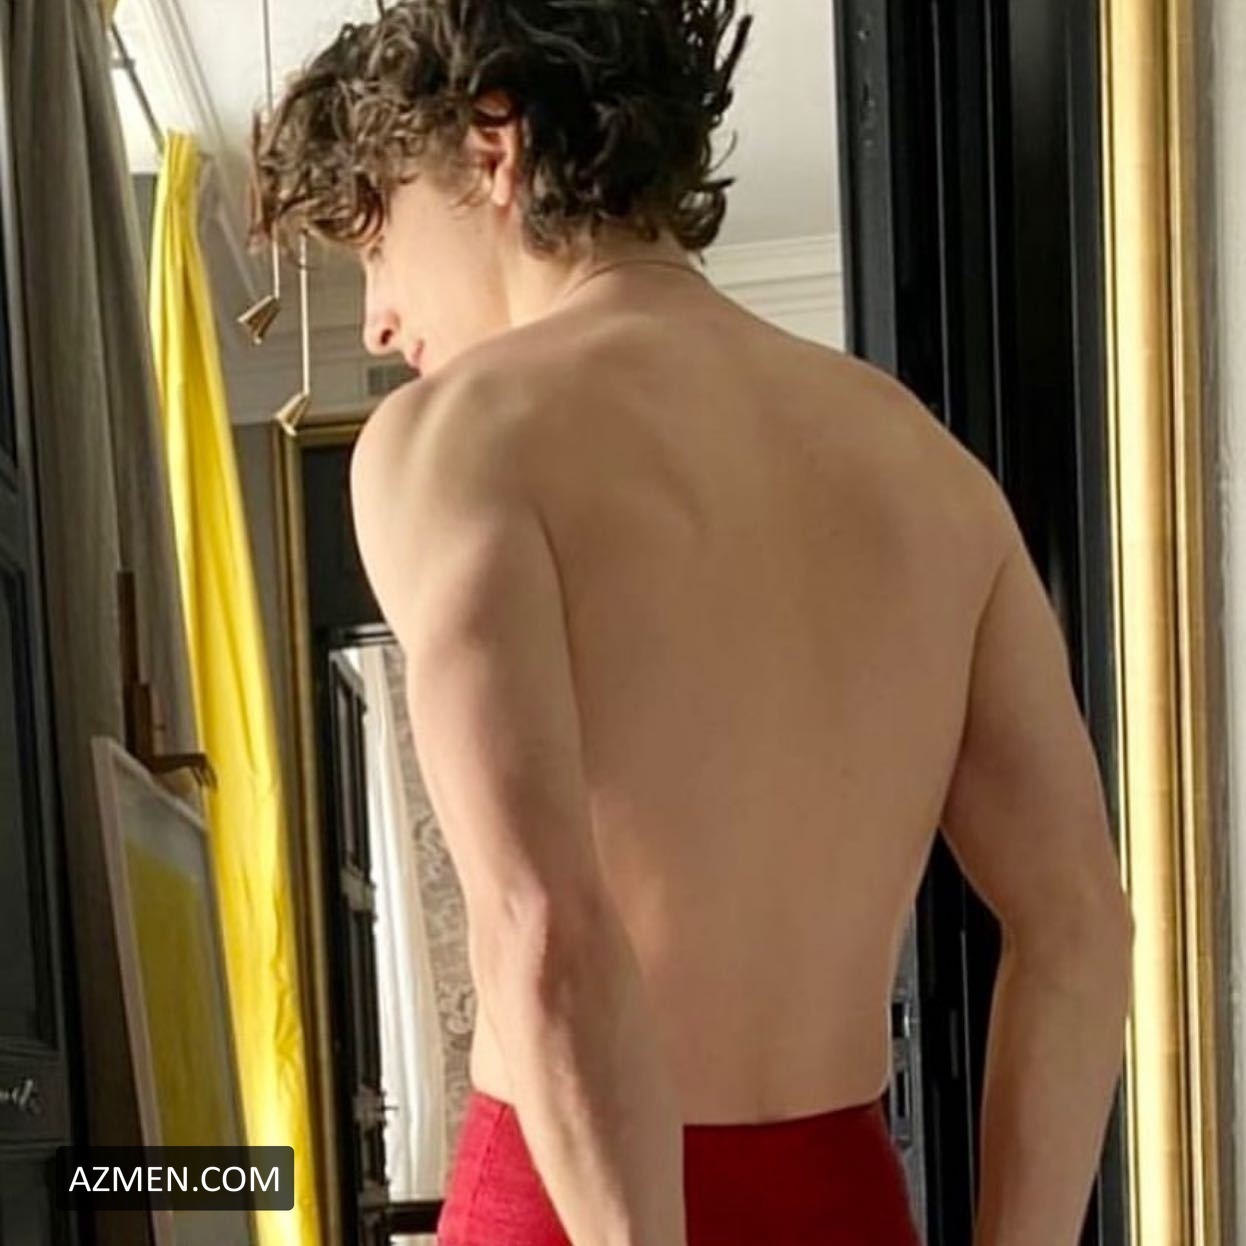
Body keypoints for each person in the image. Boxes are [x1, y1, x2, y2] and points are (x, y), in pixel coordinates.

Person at [250, 3, 1133, 1243]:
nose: (376, 318)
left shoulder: (456, 439)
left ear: (495, 145)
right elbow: (1081, 925)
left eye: (376, 241)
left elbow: (545, 930)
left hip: (567, 1201)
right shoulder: (929, 470)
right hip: (840, 1200)